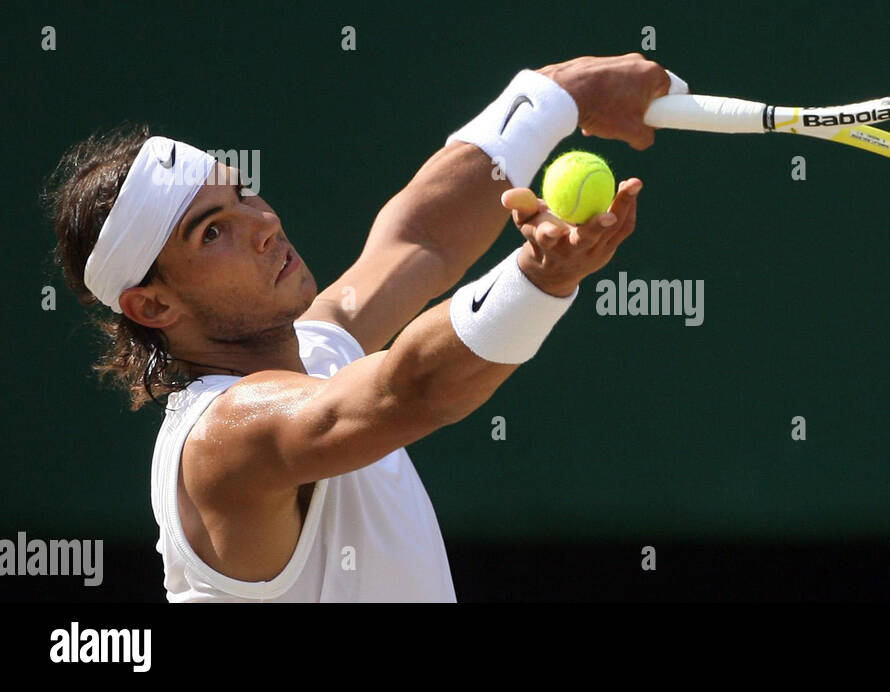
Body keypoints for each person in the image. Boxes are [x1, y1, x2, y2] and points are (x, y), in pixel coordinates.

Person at [44, 54, 683, 602]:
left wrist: (558, 93)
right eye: (214, 232)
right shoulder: (220, 442)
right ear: (152, 307)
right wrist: (540, 279)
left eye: (242, 196)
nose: (263, 224)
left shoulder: (316, 350)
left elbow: (422, 239)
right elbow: (408, 392)